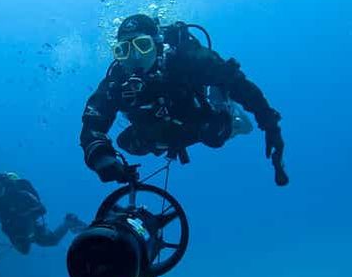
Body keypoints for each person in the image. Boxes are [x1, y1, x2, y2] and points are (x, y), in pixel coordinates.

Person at [79, 14, 289, 186]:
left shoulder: (188, 59)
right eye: (123, 50)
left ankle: (228, 112)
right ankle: (167, 138)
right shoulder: (116, 81)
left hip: (198, 116)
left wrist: (270, 125)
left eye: (142, 45)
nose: (134, 56)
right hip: (162, 128)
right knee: (128, 143)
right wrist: (100, 156)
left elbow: (240, 86)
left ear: (158, 44)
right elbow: (92, 122)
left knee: (214, 135)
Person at [0, 172, 87, 255]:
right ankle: (68, 223)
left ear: (5, 186)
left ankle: (68, 222)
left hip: (29, 224)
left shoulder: (22, 195)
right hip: (10, 228)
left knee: (51, 241)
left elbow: (42, 209)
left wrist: (24, 214)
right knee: (24, 250)